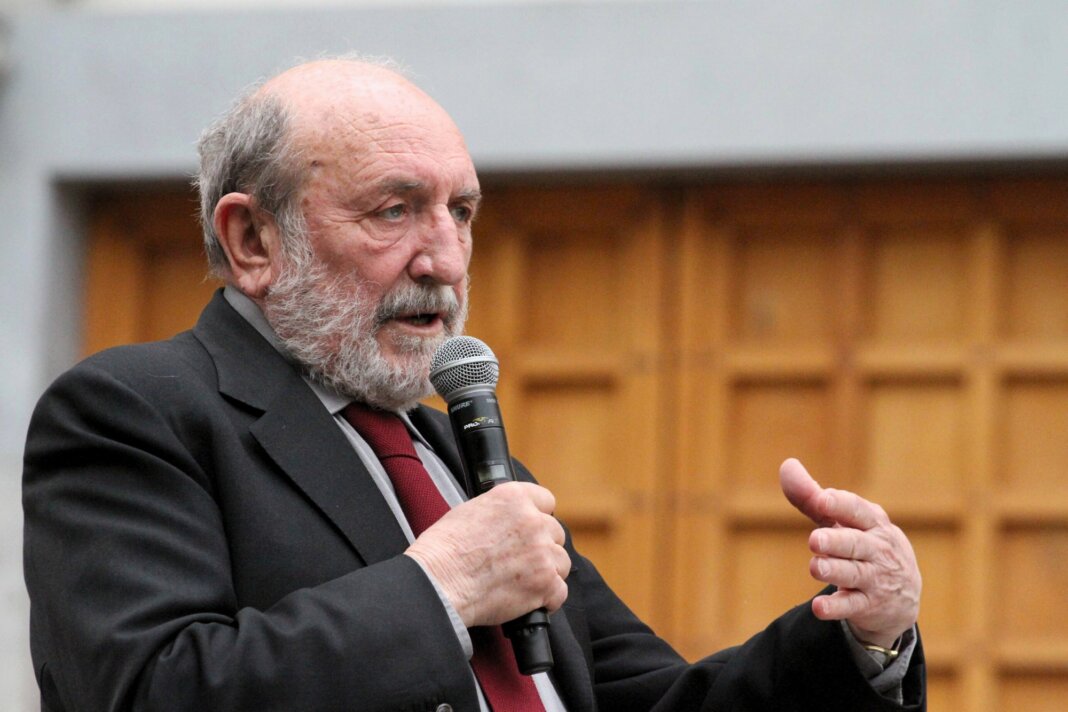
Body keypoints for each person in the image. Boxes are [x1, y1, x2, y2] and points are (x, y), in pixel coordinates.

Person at [22, 57, 925, 711]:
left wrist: (859, 639)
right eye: (395, 210)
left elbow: (652, 699)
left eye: (460, 212)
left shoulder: (460, 456)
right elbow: (152, 689)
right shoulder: (133, 411)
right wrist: (441, 586)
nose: (446, 260)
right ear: (253, 241)